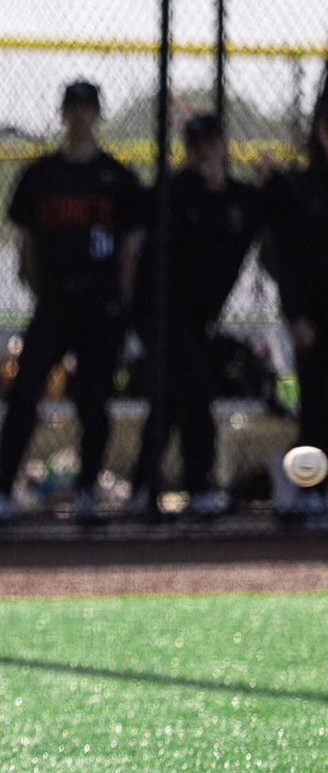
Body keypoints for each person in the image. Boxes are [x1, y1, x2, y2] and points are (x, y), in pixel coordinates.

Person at [0, 81, 144, 521]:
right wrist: (42, 289)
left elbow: (129, 250)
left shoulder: (117, 177)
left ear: (98, 114)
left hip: (100, 300)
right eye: (73, 108)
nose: (80, 116)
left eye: (87, 108)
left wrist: (121, 301)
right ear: (64, 113)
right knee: (25, 390)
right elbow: (27, 244)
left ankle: (87, 489)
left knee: (94, 398)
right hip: (55, 299)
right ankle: (3, 489)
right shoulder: (41, 175)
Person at [127, 114, 263, 519]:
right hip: (159, 314)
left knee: (170, 401)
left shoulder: (241, 198)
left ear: (224, 147)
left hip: (198, 322)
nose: (205, 154)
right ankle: (199, 487)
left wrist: (272, 178)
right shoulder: (174, 192)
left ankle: (142, 487)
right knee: (197, 390)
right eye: (196, 147)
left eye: (211, 145)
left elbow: (279, 212)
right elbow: (134, 215)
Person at [263, 94, 328, 518]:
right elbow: (286, 261)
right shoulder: (302, 189)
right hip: (313, 317)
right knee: (316, 409)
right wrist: (296, 315)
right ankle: (307, 489)